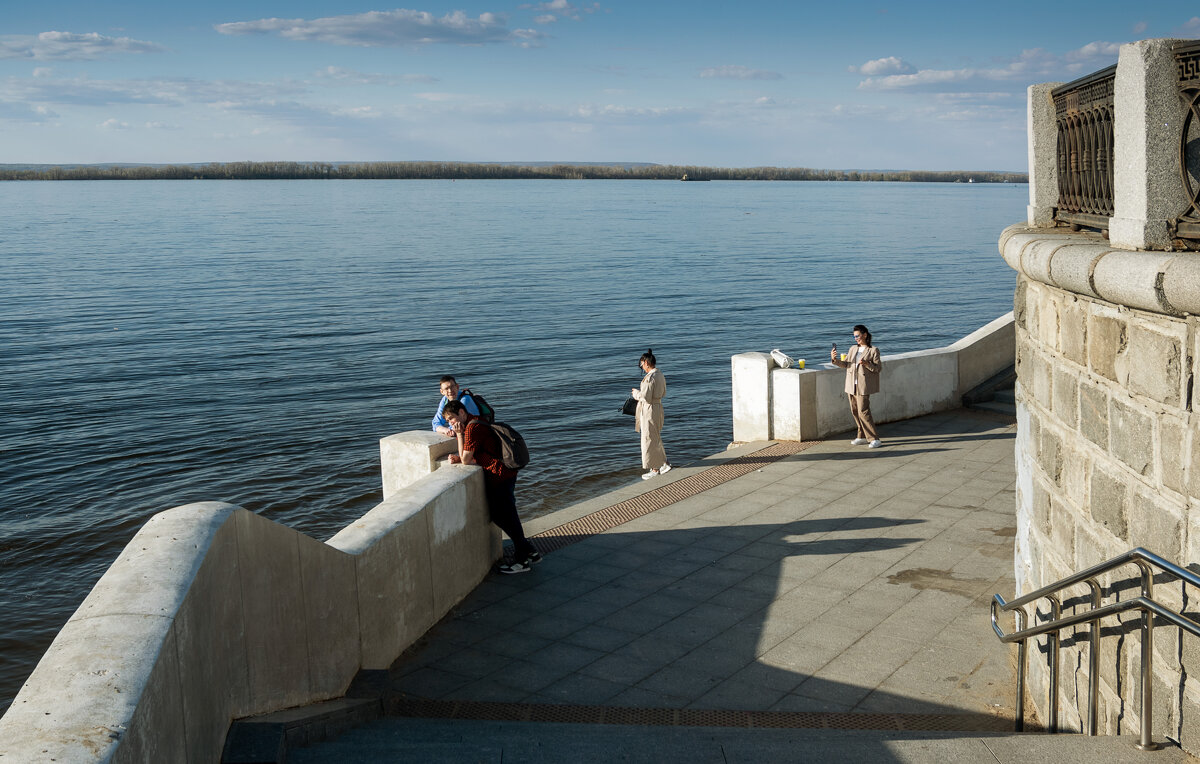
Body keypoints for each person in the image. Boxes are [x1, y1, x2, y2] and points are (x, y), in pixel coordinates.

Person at [443, 400, 541, 574]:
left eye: (452, 418)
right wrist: (461, 455)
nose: (451, 423)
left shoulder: (472, 428)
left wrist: (459, 435)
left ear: (462, 413)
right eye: (448, 421)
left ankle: (522, 561)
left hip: (498, 475)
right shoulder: (478, 421)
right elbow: (476, 454)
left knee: (503, 515)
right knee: (505, 514)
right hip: (505, 473)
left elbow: (466, 459)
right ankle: (529, 551)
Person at [831, 324, 882, 448]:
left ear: (865, 335)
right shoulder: (853, 348)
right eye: (854, 336)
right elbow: (846, 365)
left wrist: (866, 364)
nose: (856, 338)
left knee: (863, 411)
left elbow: (878, 368)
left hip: (863, 386)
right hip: (851, 385)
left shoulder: (873, 350)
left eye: (858, 336)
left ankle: (874, 439)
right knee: (855, 411)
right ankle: (861, 436)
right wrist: (834, 359)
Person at [631, 348, 672, 479]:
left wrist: (636, 394)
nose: (641, 367)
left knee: (649, 439)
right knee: (655, 437)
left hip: (649, 409)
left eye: (641, 364)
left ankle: (655, 469)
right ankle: (664, 463)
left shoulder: (650, 378)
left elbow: (646, 397)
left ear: (646, 363)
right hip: (658, 407)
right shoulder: (660, 374)